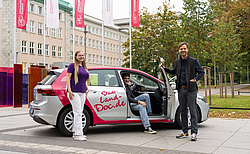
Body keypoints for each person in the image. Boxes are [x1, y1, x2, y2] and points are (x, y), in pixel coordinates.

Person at [160, 42, 204, 141]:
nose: (183, 50)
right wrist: (164, 69)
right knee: (183, 111)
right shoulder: (177, 62)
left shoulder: (193, 61)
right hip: (181, 89)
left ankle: (194, 132)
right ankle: (185, 131)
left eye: (184, 49)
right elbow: (173, 71)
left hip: (191, 90)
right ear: (179, 51)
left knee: (193, 112)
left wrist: (195, 79)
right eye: (181, 49)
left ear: (187, 50)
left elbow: (201, 72)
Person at [66, 51, 89, 141]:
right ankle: (78, 134)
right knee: (78, 113)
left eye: (83, 55)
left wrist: (87, 88)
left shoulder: (83, 67)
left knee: (80, 112)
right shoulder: (72, 66)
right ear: (75, 57)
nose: (81, 57)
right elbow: (68, 78)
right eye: (79, 55)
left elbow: (83, 80)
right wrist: (70, 91)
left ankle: (76, 132)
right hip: (74, 92)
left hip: (82, 92)